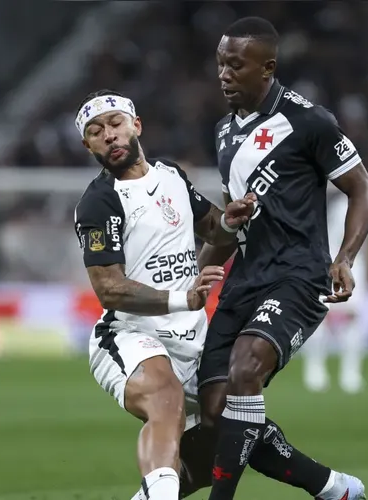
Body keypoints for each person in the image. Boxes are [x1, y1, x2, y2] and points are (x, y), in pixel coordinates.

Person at [196, 17, 368, 500]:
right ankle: (333, 487)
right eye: (220, 63)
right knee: (217, 410)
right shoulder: (223, 133)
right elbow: (232, 224)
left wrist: (345, 257)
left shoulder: (309, 121)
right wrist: (200, 274)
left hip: (299, 275)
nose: (224, 74)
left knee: (245, 372)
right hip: (244, 278)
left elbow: (361, 189)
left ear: (267, 67)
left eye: (235, 64)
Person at [71, 89, 256, 500]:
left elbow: (212, 228)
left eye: (115, 124)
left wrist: (233, 217)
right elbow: (110, 290)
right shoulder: (99, 203)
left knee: (217, 449)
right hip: (131, 335)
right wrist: (182, 298)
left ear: (136, 125)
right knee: (165, 400)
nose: (109, 136)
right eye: (96, 132)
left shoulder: (170, 174)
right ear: (89, 146)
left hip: (192, 336)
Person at [303, 197, 368, 394]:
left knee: (351, 319)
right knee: (322, 318)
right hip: (331, 263)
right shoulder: (342, 206)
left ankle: (349, 374)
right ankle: (316, 370)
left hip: (351, 265)